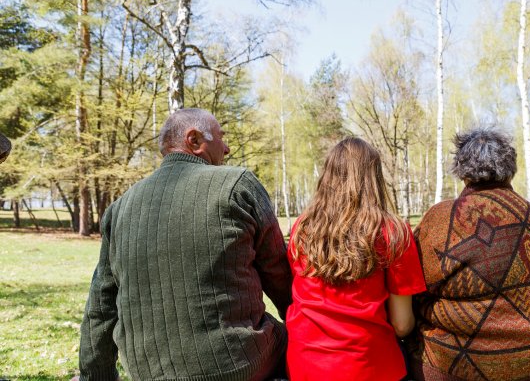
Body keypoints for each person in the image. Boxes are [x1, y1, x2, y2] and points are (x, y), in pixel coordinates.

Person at [76, 108, 292, 381]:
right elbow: (279, 275)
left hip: (147, 372)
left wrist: (95, 377)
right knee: (290, 340)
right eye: (221, 138)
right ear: (194, 140)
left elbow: (101, 305)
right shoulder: (238, 185)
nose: (226, 149)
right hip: (236, 364)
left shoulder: (119, 207)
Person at [408, 128, 530, 381]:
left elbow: (411, 287)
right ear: (510, 168)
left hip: (462, 367)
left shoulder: (443, 217)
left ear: (463, 171)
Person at [285, 137, 427, 381]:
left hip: (305, 365)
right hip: (370, 366)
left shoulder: (302, 228)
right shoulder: (392, 232)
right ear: (373, 177)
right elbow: (402, 324)